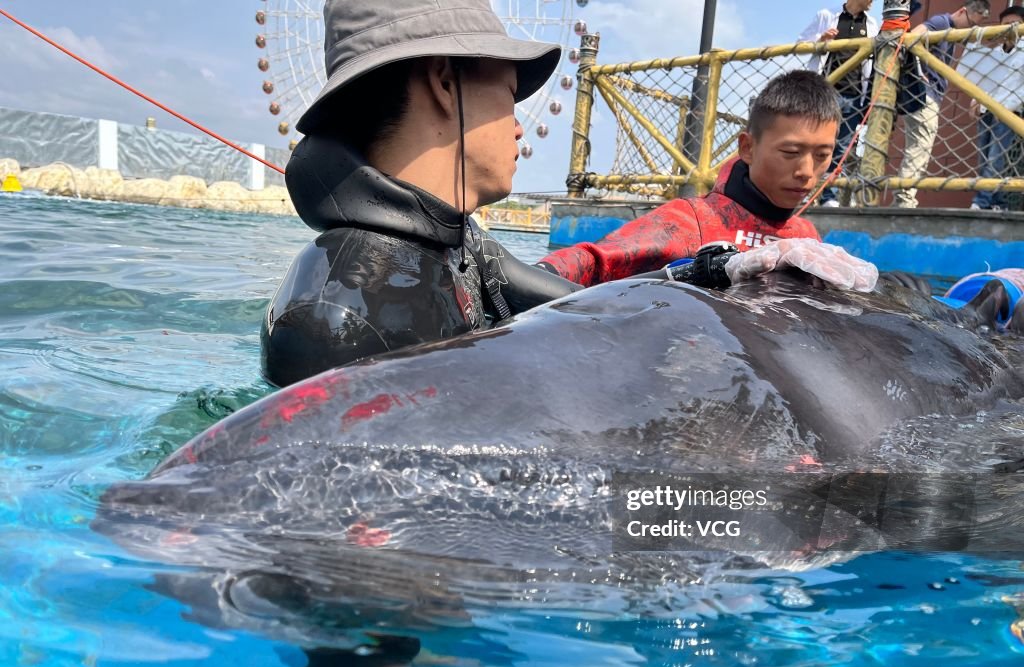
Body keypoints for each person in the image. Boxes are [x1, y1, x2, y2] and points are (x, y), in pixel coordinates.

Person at [261, 0, 582, 388]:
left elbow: (576, 307)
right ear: (444, 83)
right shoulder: (337, 320)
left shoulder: (457, 242)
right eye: (510, 95)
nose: (517, 128)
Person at [537, 70, 841, 286]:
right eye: (790, 152)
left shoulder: (806, 236)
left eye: (822, 155)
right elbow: (593, 261)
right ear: (747, 148)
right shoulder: (691, 220)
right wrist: (533, 275)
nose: (805, 170)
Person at [892, 0, 992, 208]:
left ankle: (904, 197)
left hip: (929, 96)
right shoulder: (942, 22)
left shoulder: (951, 31)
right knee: (920, 146)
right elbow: (912, 38)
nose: (971, 29)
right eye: (972, 23)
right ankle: (904, 200)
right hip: (924, 95)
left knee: (920, 147)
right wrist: (920, 74)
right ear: (963, 11)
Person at [797, 1, 880, 207]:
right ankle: (805, 191)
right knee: (815, 142)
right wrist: (820, 40)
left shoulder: (872, 24)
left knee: (841, 148)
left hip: (854, 95)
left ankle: (828, 196)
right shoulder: (826, 15)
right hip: (826, 90)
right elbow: (800, 44)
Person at [961, 4, 1023, 211]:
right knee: (984, 158)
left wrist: (1004, 108)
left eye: (1016, 24)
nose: (1010, 27)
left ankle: (981, 202)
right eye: (1006, 24)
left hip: (1008, 113)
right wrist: (975, 100)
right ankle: (997, 203)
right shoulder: (995, 53)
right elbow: (984, 81)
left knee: (996, 158)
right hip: (986, 112)